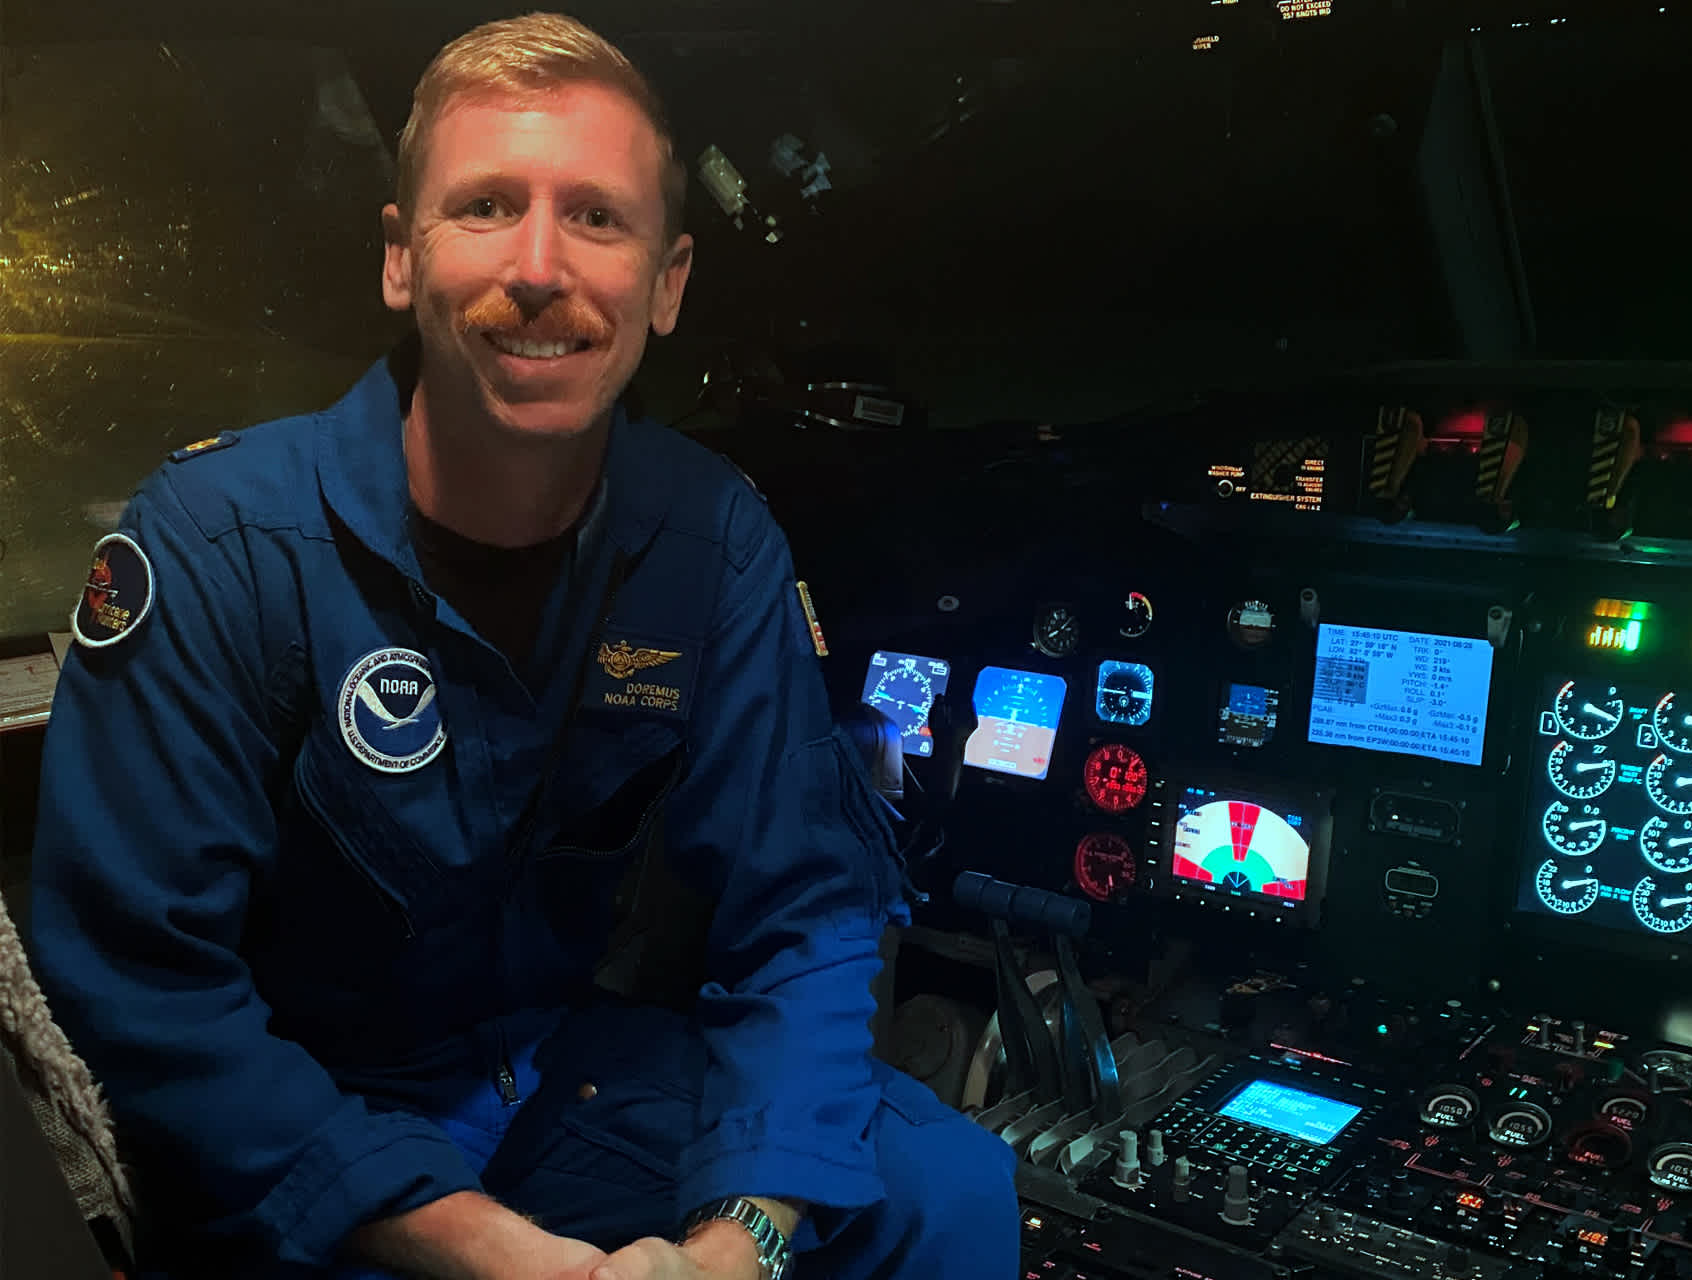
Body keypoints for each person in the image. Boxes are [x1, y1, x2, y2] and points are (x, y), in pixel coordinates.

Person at [28, 12, 1017, 1279]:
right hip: (307, 1121)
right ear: (402, 258)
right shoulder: (223, 545)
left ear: (667, 281)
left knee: (951, 1194)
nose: (540, 266)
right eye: (488, 205)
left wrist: (741, 1239)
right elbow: (147, 994)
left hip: (555, 1070)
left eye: (598, 217)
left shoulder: (710, 537)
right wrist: (488, 1248)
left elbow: (805, 910)